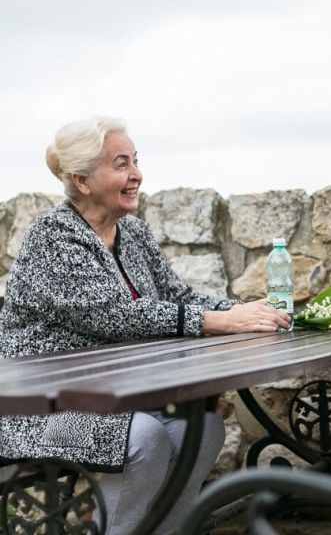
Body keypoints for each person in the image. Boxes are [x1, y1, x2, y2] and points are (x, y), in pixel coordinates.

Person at [0, 117, 291, 534]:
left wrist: (252, 311)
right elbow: (113, 316)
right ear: (82, 180)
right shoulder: (52, 237)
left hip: (112, 398)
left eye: (135, 161)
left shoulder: (132, 232)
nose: (136, 174)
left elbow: (179, 298)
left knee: (203, 426)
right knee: (146, 438)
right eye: (121, 164)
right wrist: (220, 321)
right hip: (38, 410)